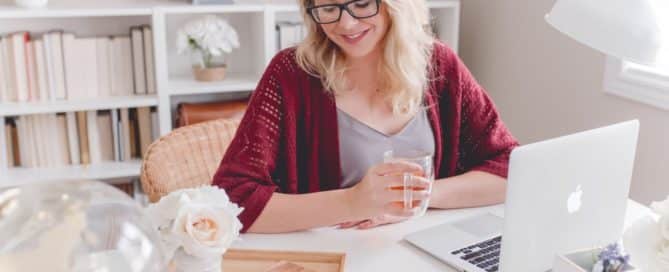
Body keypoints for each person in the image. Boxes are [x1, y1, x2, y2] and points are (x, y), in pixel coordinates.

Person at [212, 0, 518, 233]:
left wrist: (414, 197)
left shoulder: (440, 65)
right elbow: (232, 198)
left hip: (420, 250)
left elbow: (511, 169)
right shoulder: (290, 75)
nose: (346, 23)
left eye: (361, 3)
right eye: (329, 7)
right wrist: (351, 203)